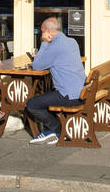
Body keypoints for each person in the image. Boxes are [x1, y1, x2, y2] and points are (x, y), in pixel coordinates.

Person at [24, 17, 86, 145]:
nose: (41, 35)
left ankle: (56, 130)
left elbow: (37, 66)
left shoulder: (54, 46)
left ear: (47, 31)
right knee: (47, 94)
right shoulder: (72, 41)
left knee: (32, 104)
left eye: (42, 32)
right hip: (83, 90)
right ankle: (50, 130)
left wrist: (45, 43)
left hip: (70, 95)